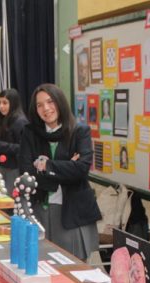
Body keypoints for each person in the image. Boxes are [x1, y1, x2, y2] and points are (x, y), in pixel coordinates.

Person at [19, 83, 101, 261]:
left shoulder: (79, 132)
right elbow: (26, 172)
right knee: (42, 264)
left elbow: (81, 170)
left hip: (71, 212)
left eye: (50, 101)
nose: (46, 108)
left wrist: (48, 166)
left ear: (60, 102)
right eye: (39, 105)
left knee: (71, 267)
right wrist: (65, 169)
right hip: (40, 209)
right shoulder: (30, 133)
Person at [0, 88, 27, 193]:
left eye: (5, 103)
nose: (1, 106)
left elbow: (22, 148)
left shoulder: (20, 122)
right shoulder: (4, 119)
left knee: (9, 201)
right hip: (2, 166)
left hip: (13, 168)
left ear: (13, 103)